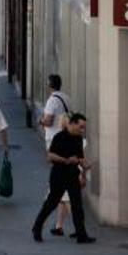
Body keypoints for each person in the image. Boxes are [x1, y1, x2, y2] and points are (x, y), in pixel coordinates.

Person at [32, 113, 96, 244]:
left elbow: (80, 158)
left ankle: (81, 234)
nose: (82, 130)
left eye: (84, 127)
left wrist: (85, 168)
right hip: (59, 175)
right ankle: (37, 227)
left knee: (77, 206)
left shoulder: (78, 139)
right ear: (72, 124)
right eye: (80, 126)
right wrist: (66, 160)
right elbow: (50, 156)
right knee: (51, 203)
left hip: (73, 175)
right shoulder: (59, 137)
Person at [39, 74, 73, 236]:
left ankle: (73, 224)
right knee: (63, 181)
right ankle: (59, 225)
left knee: (60, 184)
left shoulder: (52, 100)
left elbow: (48, 120)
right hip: (66, 141)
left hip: (55, 142)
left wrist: (40, 120)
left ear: (49, 85)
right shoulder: (66, 98)